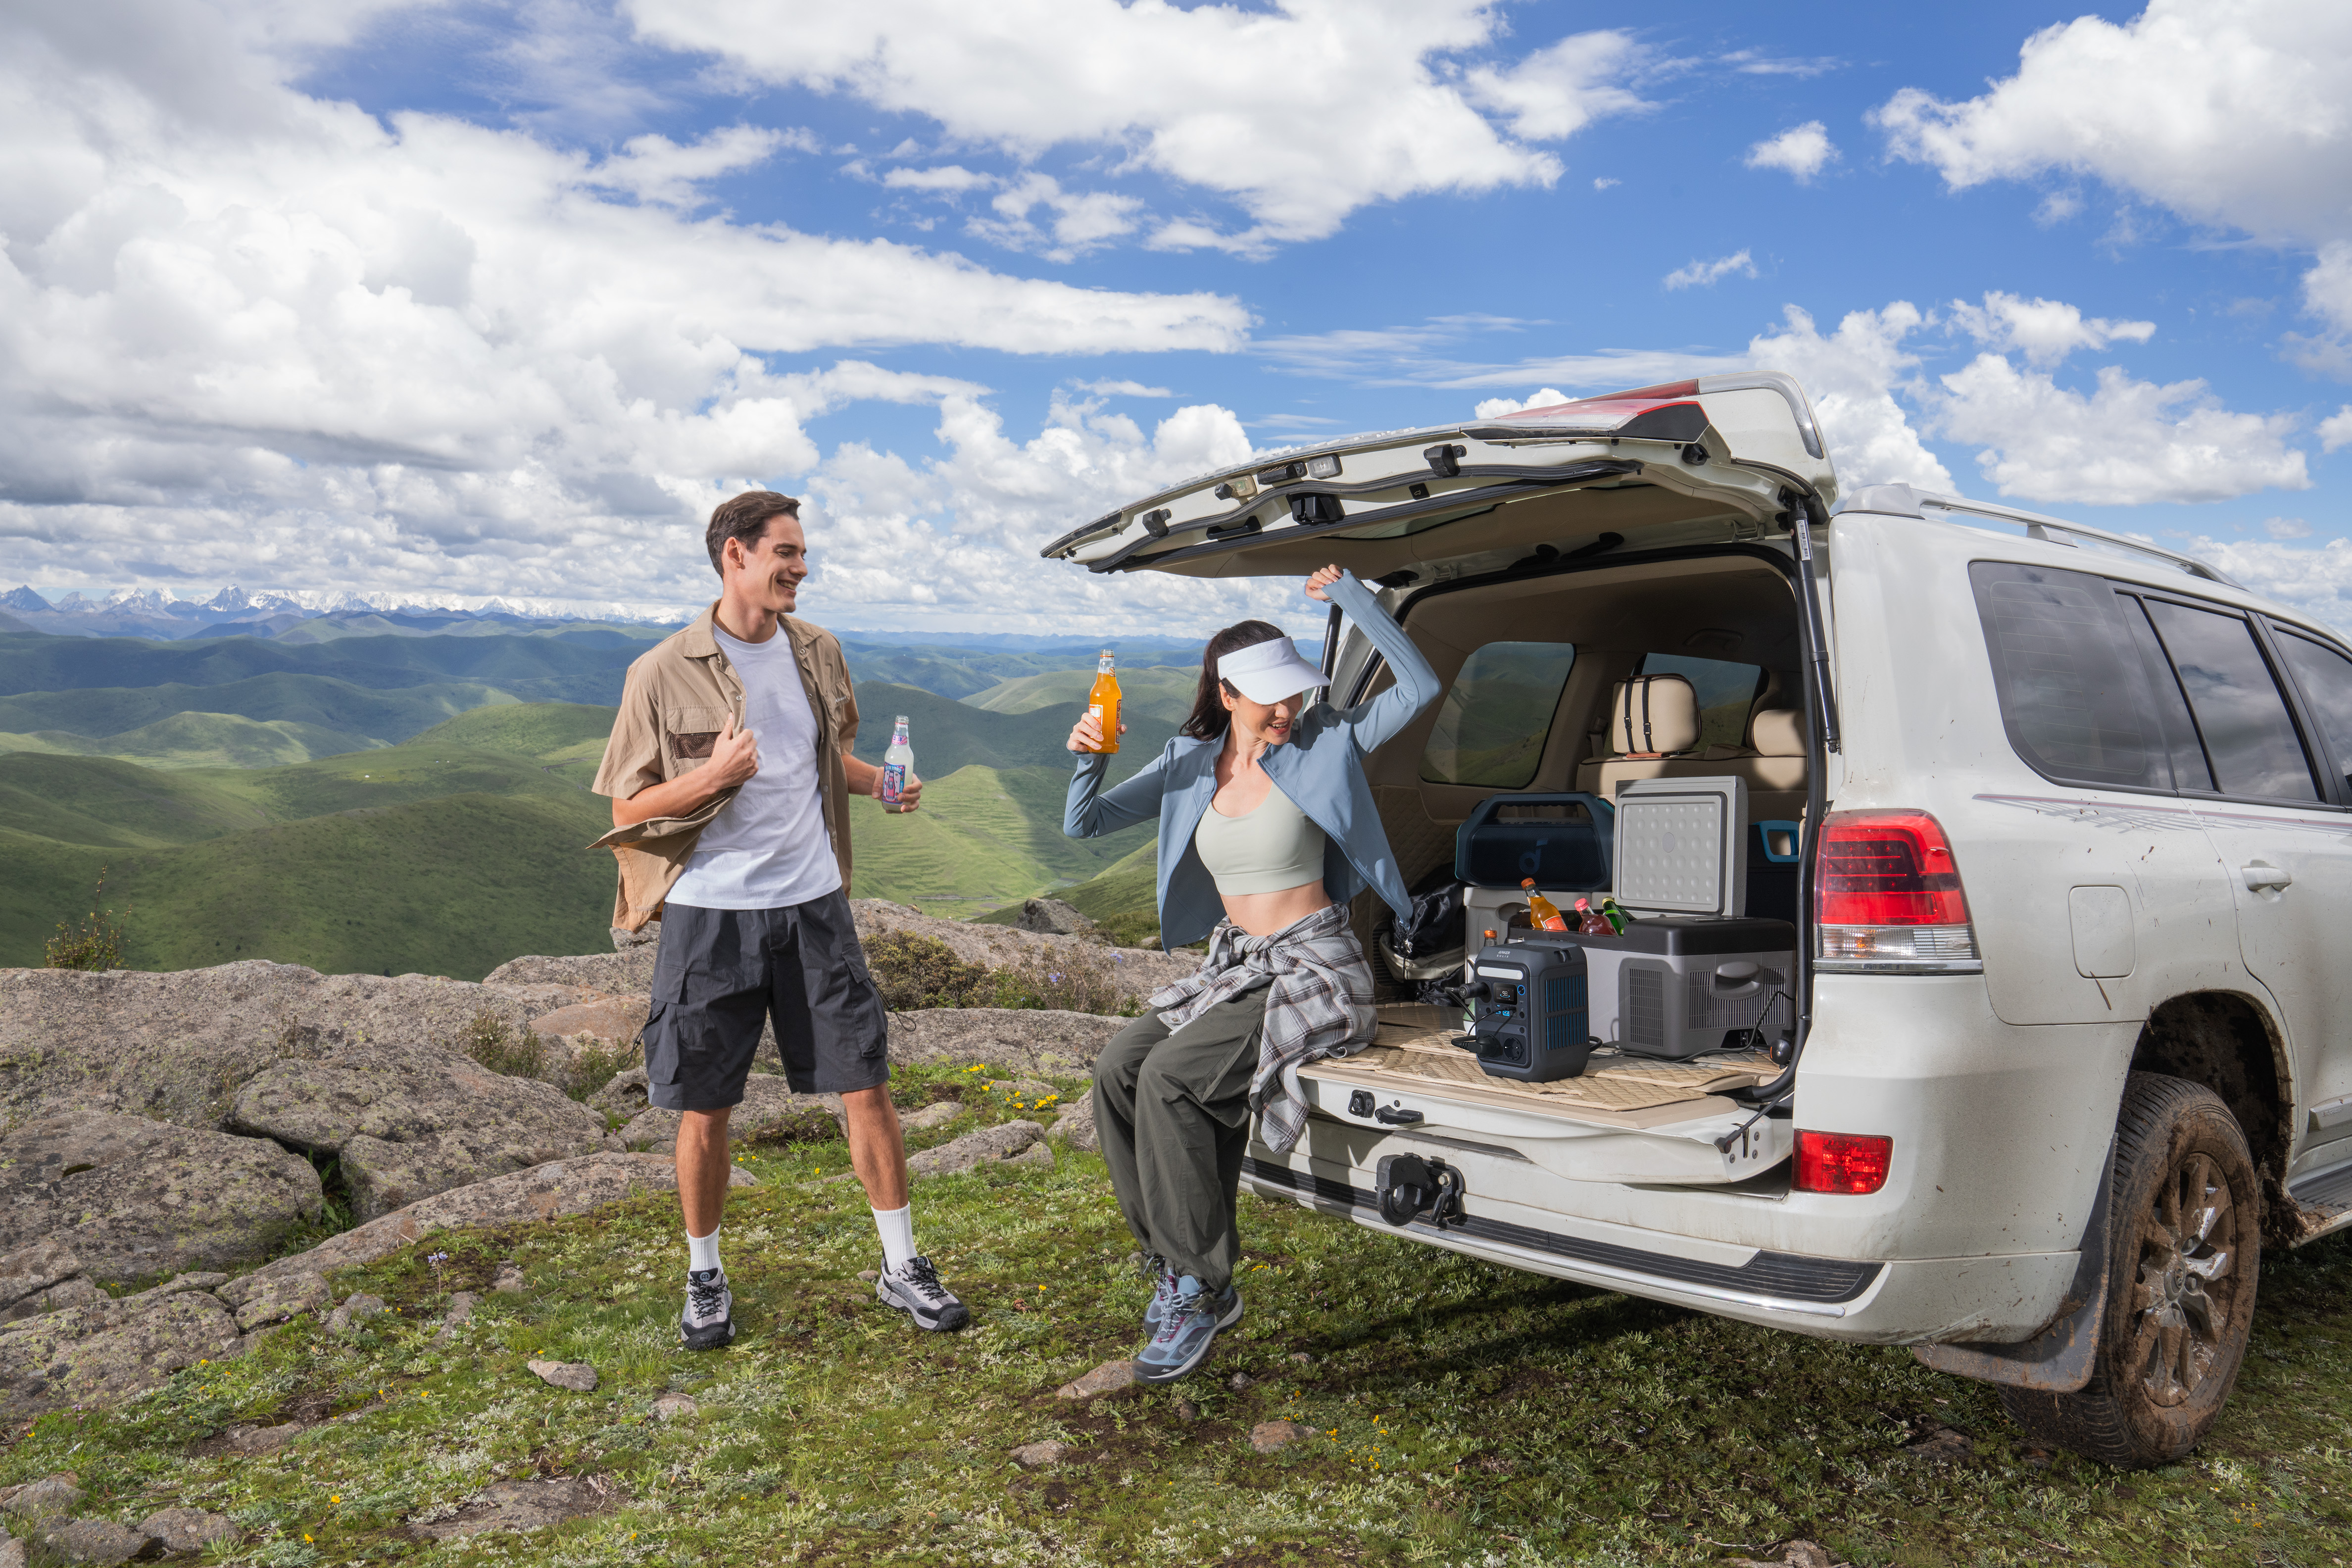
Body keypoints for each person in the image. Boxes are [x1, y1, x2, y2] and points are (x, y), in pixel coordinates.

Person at [590, 490, 967, 1350]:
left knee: (865, 1084)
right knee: (704, 1104)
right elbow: (627, 804)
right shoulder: (661, 670)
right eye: (785, 553)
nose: (800, 568)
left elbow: (820, 754)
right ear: (734, 555)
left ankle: (901, 1265)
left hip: (813, 904)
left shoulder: (818, 651)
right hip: (709, 914)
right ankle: (705, 1276)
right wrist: (714, 778)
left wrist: (882, 785)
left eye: (801, 554)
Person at [1063, 564, 1440, 1383]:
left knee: (1169, 1078)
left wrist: (1352, 601)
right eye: (1271, 697)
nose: (1288, 710)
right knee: (1119, 1068)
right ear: (1226, 693)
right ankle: (1171, 1259)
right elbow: (1084, 823)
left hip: (1314, 965)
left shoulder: (1325, 743)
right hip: (1236, 964)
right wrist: (1087, 756)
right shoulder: (1190, 763)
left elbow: (1420, 685)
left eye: (1294, 693)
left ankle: (1202, 1282)